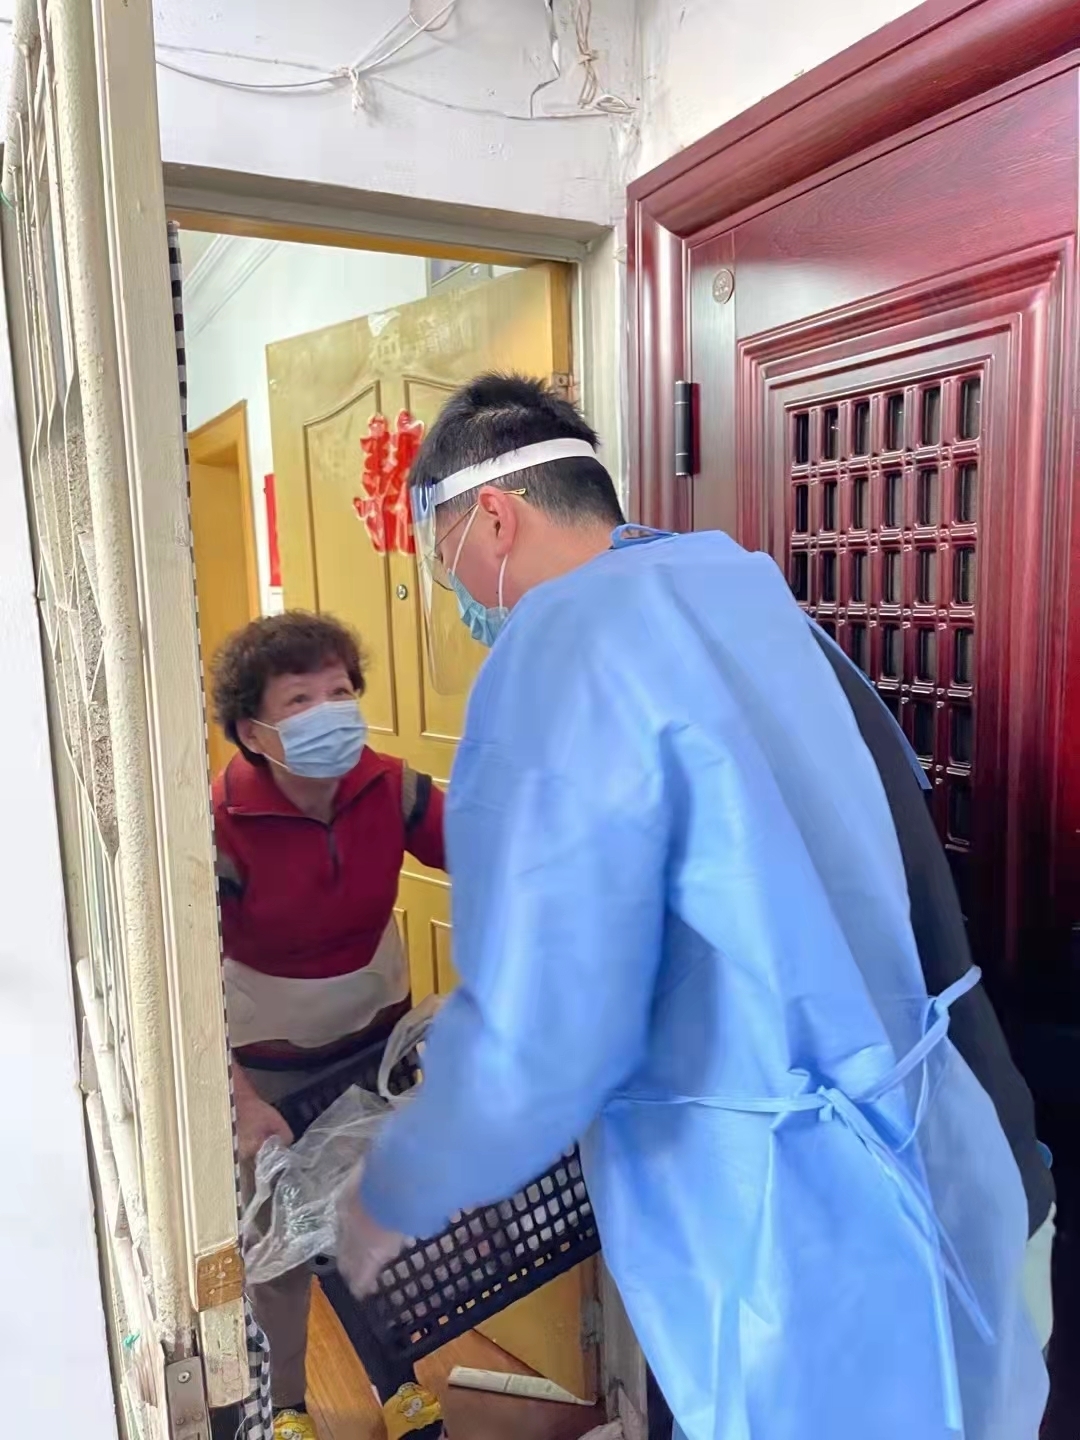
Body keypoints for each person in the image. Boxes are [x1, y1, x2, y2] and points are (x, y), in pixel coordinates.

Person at [335, 374, 1050, 1440]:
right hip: (956, 1123)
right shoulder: (748, 597)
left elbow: (551, 1025)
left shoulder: (559, 656)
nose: (464, 600)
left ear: (495, 516)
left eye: (448, 563)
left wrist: (404, 1180)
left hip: (784, 1211)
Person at [210, 611, 446, 1440]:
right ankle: (285, 1405)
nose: (330, 712)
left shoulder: (391, 786)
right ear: (254, 731)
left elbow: (486, 855)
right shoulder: (220, 824)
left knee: (374, 1221)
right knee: (280, 1241)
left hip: (373, 1047)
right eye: (300, 699)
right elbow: (190, 975)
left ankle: (399, 1382)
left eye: (340, 691)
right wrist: (240, 1100)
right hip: (269, 1067)